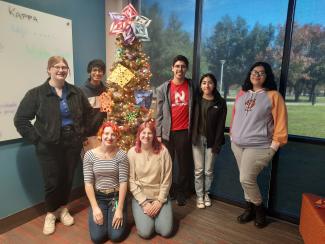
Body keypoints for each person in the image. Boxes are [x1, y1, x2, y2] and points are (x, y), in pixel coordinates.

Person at [14, 56, 94, 235]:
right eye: (56, 67)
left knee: (67, 178)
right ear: (49, 69)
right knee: (52, 181)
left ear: (68, 71)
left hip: (72, 143)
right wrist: (37, 139)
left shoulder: (75, 92)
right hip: (48, 146)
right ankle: (51, 213)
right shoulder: (36, 94)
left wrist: (81, 132)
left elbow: (88, 113)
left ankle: (63, 208)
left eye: (64, 67)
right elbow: (20, 119)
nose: (61, 70)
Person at [230, 62, 288, 228]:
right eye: (254, 71)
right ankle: (249, 209)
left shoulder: (273, 96)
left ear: (267, 77)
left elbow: (281, 124)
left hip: (259, 146)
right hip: (237, 145)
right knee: (244, 179)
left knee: (246, 178)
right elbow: (235, 117)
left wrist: (273, 148)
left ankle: (259, 210)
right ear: (250, 74)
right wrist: (233, 136)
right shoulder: (241, 94)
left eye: (262, 73)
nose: (257, 75)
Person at [156, 55, 196, 206]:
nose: (180, 69)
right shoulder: (163, 88)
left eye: (183, 66)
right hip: (168, 133)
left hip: (184, 132)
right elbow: (158, 113)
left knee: (184, 165)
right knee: (167, 164)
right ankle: (169, 190)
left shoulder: (192, 86)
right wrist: (158, 134)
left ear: (186, 69)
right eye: (177, 66)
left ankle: (181, 192)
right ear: (172, 68)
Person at [83, 122, 128, 243]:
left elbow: (123, 182)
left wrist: (119, 209)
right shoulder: (89, 155)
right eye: (106, 133)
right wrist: (95, 208)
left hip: (116, 197)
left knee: (115, 236)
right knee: (97, 238)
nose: (109, 137)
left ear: (117, 137)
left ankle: (121, 212)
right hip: (99, 197)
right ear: (101, 135)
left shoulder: (121, 155)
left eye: (113, 134)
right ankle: (101, 213)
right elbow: (88, 183)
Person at [128, 120, 173, 239]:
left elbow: (167, 179)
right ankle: (149, 218)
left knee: (165, 231)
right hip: (141, 197)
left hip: (159, 196)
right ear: (139, 134)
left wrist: (159, 201)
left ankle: (157, 218)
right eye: (143, 132)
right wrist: (143, 202)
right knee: (145, 233)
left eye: (150, 133)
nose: (146, 136)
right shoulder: (132, 153)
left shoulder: (163, 151)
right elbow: (131, 181)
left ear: (154, 135)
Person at [191, 73, 227, 209]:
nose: (207, 85)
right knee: (199, 170)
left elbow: (221, 126)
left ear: (214, 85)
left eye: (210, 82)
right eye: (204, 82)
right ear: (201, 85)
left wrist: (217, 144)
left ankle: (207, 193)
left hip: (212, 141)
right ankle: (199, 196)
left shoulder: (220, 102)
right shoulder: (196, 100)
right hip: (197, 139)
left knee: (209, 171)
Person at [80, 59, 107, 137]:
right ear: (89, 72)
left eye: (100, 71)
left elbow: (106, 113)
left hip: (103, 134)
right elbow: (79, 115)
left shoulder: (106, 91)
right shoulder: (81, 91)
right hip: (87, 135)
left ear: (103, 73)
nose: (97, 73)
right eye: (94, 70)